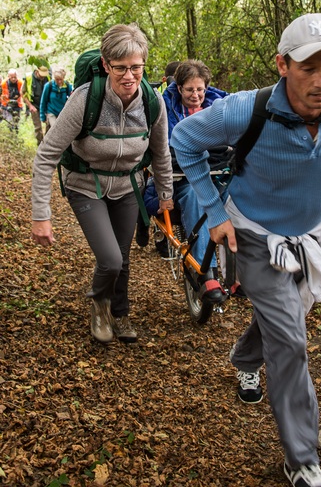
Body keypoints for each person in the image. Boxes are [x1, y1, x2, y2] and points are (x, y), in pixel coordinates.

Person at [170, 13, 321, 487]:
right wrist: (214, 211)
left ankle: (246, 359)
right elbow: (183, 139)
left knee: (288, 315)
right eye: (309, 68)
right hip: (252, 233)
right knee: (290, 337)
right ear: (282, 65)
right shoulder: (245, 110)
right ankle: (302, 458)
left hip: (311, 232)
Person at [31, 23, 174, 345]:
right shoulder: (85, 100)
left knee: (122, 257)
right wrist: (41, 214)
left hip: (128, 186)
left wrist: (166, 194)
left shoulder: (153, 103)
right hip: (85, 184)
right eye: (120, 68)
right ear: (107, 65)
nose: (129, 76)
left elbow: (160, 152)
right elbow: (46, 155)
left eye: (136, 68)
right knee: (110, 259)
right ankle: (100, 302)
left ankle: (120, 312)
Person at [162, 59, 230, 303]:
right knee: (195, 196)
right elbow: (166, 146)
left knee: (240, 196)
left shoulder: (220, 106)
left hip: (217, 171)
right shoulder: (167, 109)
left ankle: (242, 269)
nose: (196, 95)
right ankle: (206, 272)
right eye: (190, 90)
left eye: (200, 89)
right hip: (182, 177)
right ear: (179, 88)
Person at [134, 60, 180, 247]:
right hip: (155, 147)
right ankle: (143, 225)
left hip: (172, 151)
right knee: (142, 185)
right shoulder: (156, 97)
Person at [21, 65, 50, 145]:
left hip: (45, 105)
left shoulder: (48, 78)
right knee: (38, 128)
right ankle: (40, 145)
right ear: (37, 72)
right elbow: (23, 93)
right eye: (41, 75)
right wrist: (30, 106)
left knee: (49, 124)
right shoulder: (29, 78)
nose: (42, 77)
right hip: (34, 105)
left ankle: (47, 144)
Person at [1, 69, 23, 133]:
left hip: (17, 105)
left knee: (16, 122)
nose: (13, 79)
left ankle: (16, 135)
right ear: (8, 76)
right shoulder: (3, 84)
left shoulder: (20, 83)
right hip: (7, 105)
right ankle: (10, 135)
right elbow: (2, 97)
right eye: (12, 77)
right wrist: (6, 107)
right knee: (10, 122)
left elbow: (23, 95)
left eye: (15, 77)